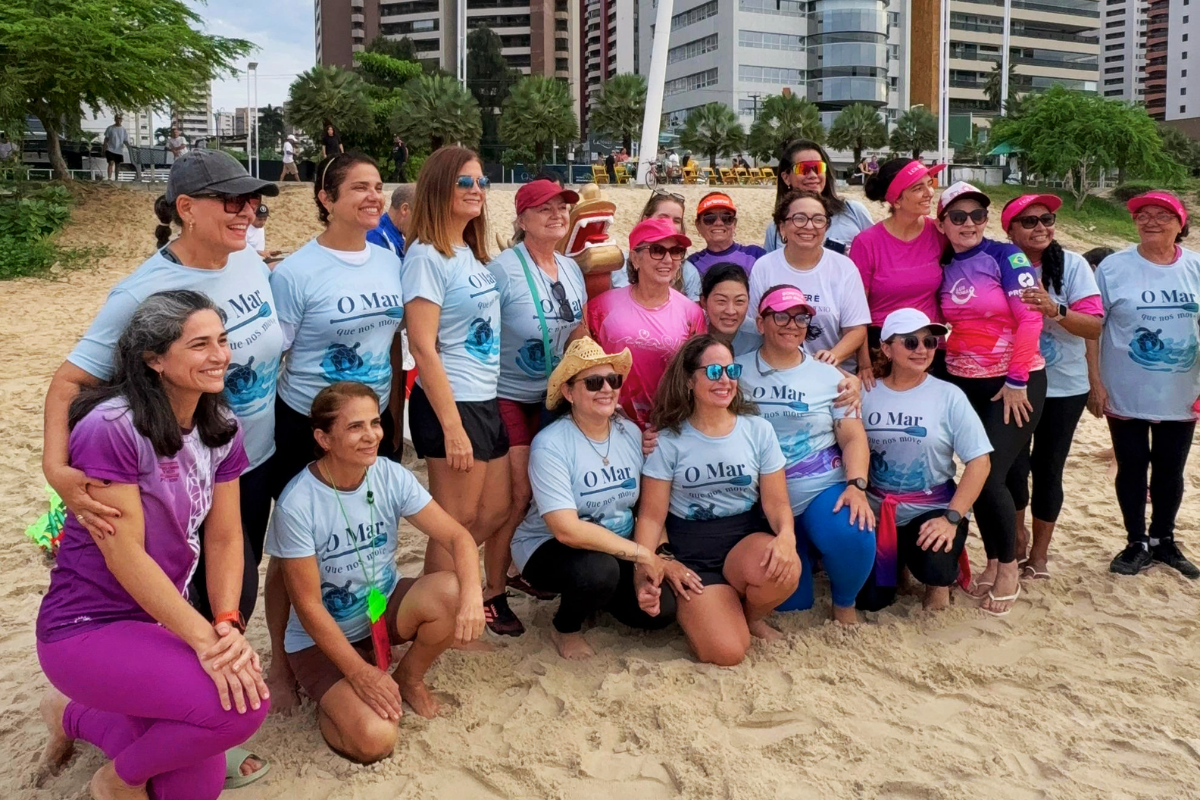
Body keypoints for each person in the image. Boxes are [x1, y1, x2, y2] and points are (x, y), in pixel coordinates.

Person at [35, 291, 270, 800]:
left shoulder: (220, 425)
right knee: (243, 707)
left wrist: (226, 622)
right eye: (200, 345)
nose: (220, 355)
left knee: (190, 790)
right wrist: (206, 642)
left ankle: (75, 719)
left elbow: (226, 536)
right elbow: (125, 555)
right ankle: (114, 780)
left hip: (159, 619)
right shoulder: (112, 427)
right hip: (88, 625)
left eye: (223, 340)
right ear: (155, 359)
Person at [44, 148, 281, 626]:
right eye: (232, 201)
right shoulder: (141, 291)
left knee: (235, 588)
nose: (248, 212)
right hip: (178, 473)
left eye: (253, 201)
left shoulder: (249, 263)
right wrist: (56, 469)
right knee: (192, 604)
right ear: (186, 208)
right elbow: (70, 380)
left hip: (252, 461)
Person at [267, 382, 484, 760]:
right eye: (355, 427)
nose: (371, 436)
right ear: (323, 438)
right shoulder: (298, 503)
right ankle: (331, 699)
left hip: (379, 611)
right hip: (322, 639)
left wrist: (472, 597)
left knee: (451, 591)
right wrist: (358, 673)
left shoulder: (389, 475)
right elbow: (308, 607)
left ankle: (408, 678)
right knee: (376, 739)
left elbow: (458, 537)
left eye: (375, 423)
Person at [402, 146, 520, 634]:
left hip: (483, 396)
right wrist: (452, 427)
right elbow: (422, 346)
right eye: (464, 182)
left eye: (482, 182)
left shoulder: (467, 252)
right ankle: (439, 622)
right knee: (455, 519)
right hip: (451, 401)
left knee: (495, 509)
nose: (477, 190)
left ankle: (432, 600)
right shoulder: (426, 256)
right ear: (439, 188)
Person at [636, 335, 800, 666]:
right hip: (692, 555)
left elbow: (777, 504)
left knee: (786, 568)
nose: (725, 380)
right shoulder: (668, 440)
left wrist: (786, 537)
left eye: (731, 370)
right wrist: (651, 568)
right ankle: (718, 613)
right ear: (689, 380)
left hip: (743, 542)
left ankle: (749, 616)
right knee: (727, 652)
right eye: (713, 372)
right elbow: (651, 517)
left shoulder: (758, 430)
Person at [511, 338, 678, 658]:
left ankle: (598, 597)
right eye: (592, 382)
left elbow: (647, 507)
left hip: (617, 546)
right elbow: (566, 530)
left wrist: (655, 559)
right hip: (549, 546)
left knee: (661, 611)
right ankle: (565, 628)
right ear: (568, 392)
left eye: (613, 380)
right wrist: (641, 554)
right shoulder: (551, 444)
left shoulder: (630, 433)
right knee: (598, 572)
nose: (606, 388)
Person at [936, 181, 1046, 615]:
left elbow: (1031, 319)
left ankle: (1008, 567)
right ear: (942, 224)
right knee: (994, 473)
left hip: (1013, 382)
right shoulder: (943, 263)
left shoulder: (1007, 256)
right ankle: (996, 559)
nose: (969, 223)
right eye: (958, 216)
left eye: (977, 215)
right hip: (964, 381)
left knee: (987, 474)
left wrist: (1017, 380)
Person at [736, 287, 876, 625]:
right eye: (781, 316)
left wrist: (856, 485)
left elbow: (853, 436)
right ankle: (806, 554)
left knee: (853, 527)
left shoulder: (829, 376)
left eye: (801, 318)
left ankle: (844, 603)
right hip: (759, 502)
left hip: (817, 488)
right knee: (791, 603)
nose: (792, 324)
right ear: (760, 322)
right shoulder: (735, 373)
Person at [270, 153, 405, 486]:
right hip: (310, 424)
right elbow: (273, 356)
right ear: (326, 198)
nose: (374, 196)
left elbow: (391, 342)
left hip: (374, 420)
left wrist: (393, 415)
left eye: (378, 187)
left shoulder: (391, 263)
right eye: (360, 187)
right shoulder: (295, 272)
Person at [488, 179, 588, 598]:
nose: (557, 215)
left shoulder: (571, 267)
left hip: (555, 394)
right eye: (544, 208)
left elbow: (579, 330)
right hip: (509, 392)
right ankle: (492, 591)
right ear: (522, 220)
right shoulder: (502, 270)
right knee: (519, 494)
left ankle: (518, 567)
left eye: (562, 207)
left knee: (546, 491)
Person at [855, 309, 993, 612]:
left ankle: (938, 584)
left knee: (935, 565)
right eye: (910, 342)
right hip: (877, 509)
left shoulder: (948, 395)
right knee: (870, 602)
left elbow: (980, 461)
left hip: (931, 506)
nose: (922, 349)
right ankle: (899, 566)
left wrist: (951, 519)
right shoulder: (865, 392)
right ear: (887, 348)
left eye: (929, 342)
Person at [1095, 191, 1200, 579]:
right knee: (1132, 466)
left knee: (1171, 468)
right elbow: (1093, 325)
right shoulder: (1113, 268)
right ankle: (1136, 541)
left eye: (1162, 215)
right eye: (1143, 215)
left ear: (1180, 223)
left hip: (1182, 388)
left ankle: (1164, 540)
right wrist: (1095, 381)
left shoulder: (1195, 267)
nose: (1151, 221)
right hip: (1126, 386)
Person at [1000, 194, 1104, 580]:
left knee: (1048, 468)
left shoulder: (1073, 265)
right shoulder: (998, 261)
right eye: (1029, 222)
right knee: (1013, 467)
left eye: (1047, 219)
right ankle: (1016, 537)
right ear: (1010, 230)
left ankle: (1039, 555)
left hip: (1063, 386)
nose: (1041, 227)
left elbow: (1094, 327)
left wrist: (1054, 309)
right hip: (1012, 383)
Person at [588, 217, 706, 427]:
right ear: (635, 258)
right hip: (610, 424)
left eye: (676, 251)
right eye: (657, 250)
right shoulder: (601, 307)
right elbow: (586, 367)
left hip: (668, 427)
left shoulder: (692, 314)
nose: (668, 259)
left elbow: (696, 375)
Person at [749, 190, 871, 372]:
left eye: (818, 219)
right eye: (799, 218)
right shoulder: (764, 266)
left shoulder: (844, 267)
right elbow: (754, 325)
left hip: (833, 371)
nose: (809, 226)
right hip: (778, 369)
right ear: (782, 227)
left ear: (826, 227)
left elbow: (856, 329)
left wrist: (832, 357)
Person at [854, 159, 948, 386]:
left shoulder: (939, 233)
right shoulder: (867, 242)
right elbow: (856, 311)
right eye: (918, 188)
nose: (929, 193)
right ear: (896, 200)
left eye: (930, 183)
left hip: (929, 345)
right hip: (884, 347)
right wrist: (864, 362)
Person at [764, 140, 873, 254]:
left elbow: (878, 251)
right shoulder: (775, 229)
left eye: (819, 167)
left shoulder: (853, 211)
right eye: (803, 168)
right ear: (786, 178)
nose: (813, 175)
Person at [611, 190, 702, 299]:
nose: (669, 224)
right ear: (645, 220)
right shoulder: (618, 266)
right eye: (663, 217)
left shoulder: (688, 272)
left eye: (677, 220)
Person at [687, 193, 767, 279]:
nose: (719, 223)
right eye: (709, 218)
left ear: (734, 224)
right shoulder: (692, 264)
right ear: (698, 225)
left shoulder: (756, 255)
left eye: (727, 218)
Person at [700, 262, 760, 356]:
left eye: (739, 301)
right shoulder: (690, 331)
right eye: (721, 301)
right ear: (704, 302)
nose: (730, 311)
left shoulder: (759, 336)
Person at [366, 184, 413, 258]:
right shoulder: (378, 237)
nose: (420, 223)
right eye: (419, 216)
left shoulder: (395, 234)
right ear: (404, 209)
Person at [104, 114, 128, 181]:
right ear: (115, 119)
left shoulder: (123, 130)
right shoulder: (110, 128)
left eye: (120, 118)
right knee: (111, 162)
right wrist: (104, 148)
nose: (119, 119)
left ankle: (116, 179)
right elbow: (106, 139)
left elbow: (125, 140)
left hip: (119, 150)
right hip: (110, 149)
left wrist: (129, 146)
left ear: (121, 120)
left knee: (118, 165)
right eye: (117, 118)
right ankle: (109, 178)